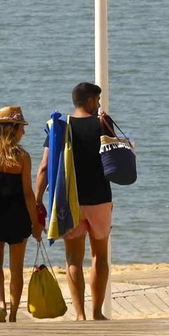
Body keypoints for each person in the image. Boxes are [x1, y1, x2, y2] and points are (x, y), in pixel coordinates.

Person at [35, 82, 112, 321]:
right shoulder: (102, 123)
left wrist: (37, 200)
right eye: (97, 101)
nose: (98, 105)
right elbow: (116, 158)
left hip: (70, 200)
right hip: (100, 199)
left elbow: (45, 168)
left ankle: (80, 314)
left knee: (73, 258)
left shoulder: (59, 126)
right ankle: (97, 312)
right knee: (99, 255)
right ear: (89, 101)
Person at [0, 106, 44, 322]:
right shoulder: (23, 157)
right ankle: (14, 313)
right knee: (16, 270)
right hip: (17, 216)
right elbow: (27, 193)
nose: (23, 132)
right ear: (13, 129)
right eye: (21, 128)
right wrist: (35, 224)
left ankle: (1, 304)